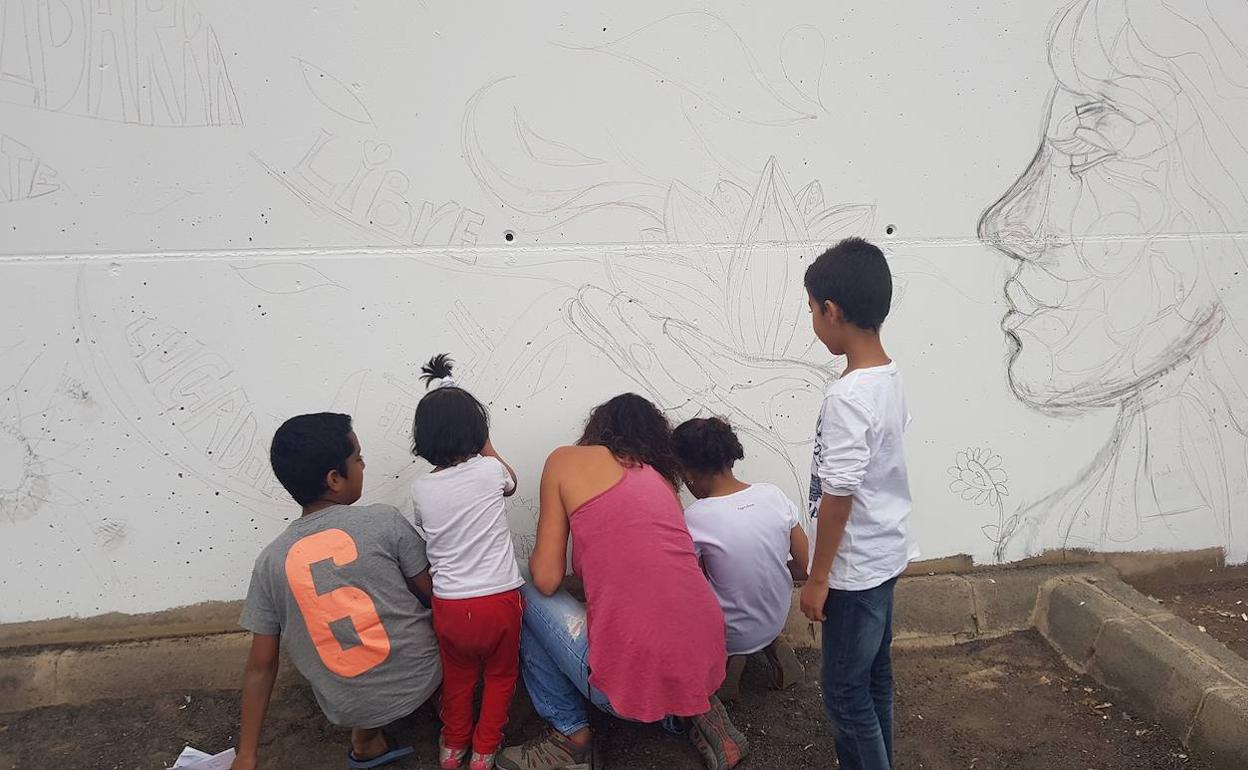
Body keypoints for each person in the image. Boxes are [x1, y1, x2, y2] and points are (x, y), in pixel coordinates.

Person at [497, 394, 748, 770]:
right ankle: (692, 709)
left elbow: (547, 580)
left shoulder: (565, 461)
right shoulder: (660, 482)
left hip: (629, 677)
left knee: (517, 577)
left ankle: (571, 737)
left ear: (597, 429)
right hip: (706, 658)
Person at [231, 413, 441, 770]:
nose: (363, 464)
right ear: (334, 479)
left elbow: (260, 667)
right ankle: (448, 706)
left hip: (347, 707)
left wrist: (247, 754)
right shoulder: (383, 520)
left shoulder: (269, 562)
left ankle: (366, 742)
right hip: (424, 676)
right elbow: (434, 595)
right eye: (358, 458)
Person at [798, 238, 919, 770]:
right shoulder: (888, 377)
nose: (813, 321)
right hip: (884, 554)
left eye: (811, 310)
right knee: (874, 679)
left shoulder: (847, 397)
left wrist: (818, 577)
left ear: (832, 310)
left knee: (845, 694)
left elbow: (839, 495)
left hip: (853, 570)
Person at [406, 355, 525, 770]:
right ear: (478, 432)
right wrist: (486, 445)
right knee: (500, 676)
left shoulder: (421, 489)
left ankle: (452, 748)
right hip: (499, 601)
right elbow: (512, 484)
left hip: (450, 606)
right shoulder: (491, 471)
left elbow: (425, 529)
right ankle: (484, 752)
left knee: (457, 678)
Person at [672, 416, 809, 702]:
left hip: (731, 631)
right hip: (777, 612)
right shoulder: (773, 494)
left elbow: (689, 586)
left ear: (689, 472)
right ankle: (771, 644)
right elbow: (802, 562)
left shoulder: (695, 517)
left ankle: (727, 667)